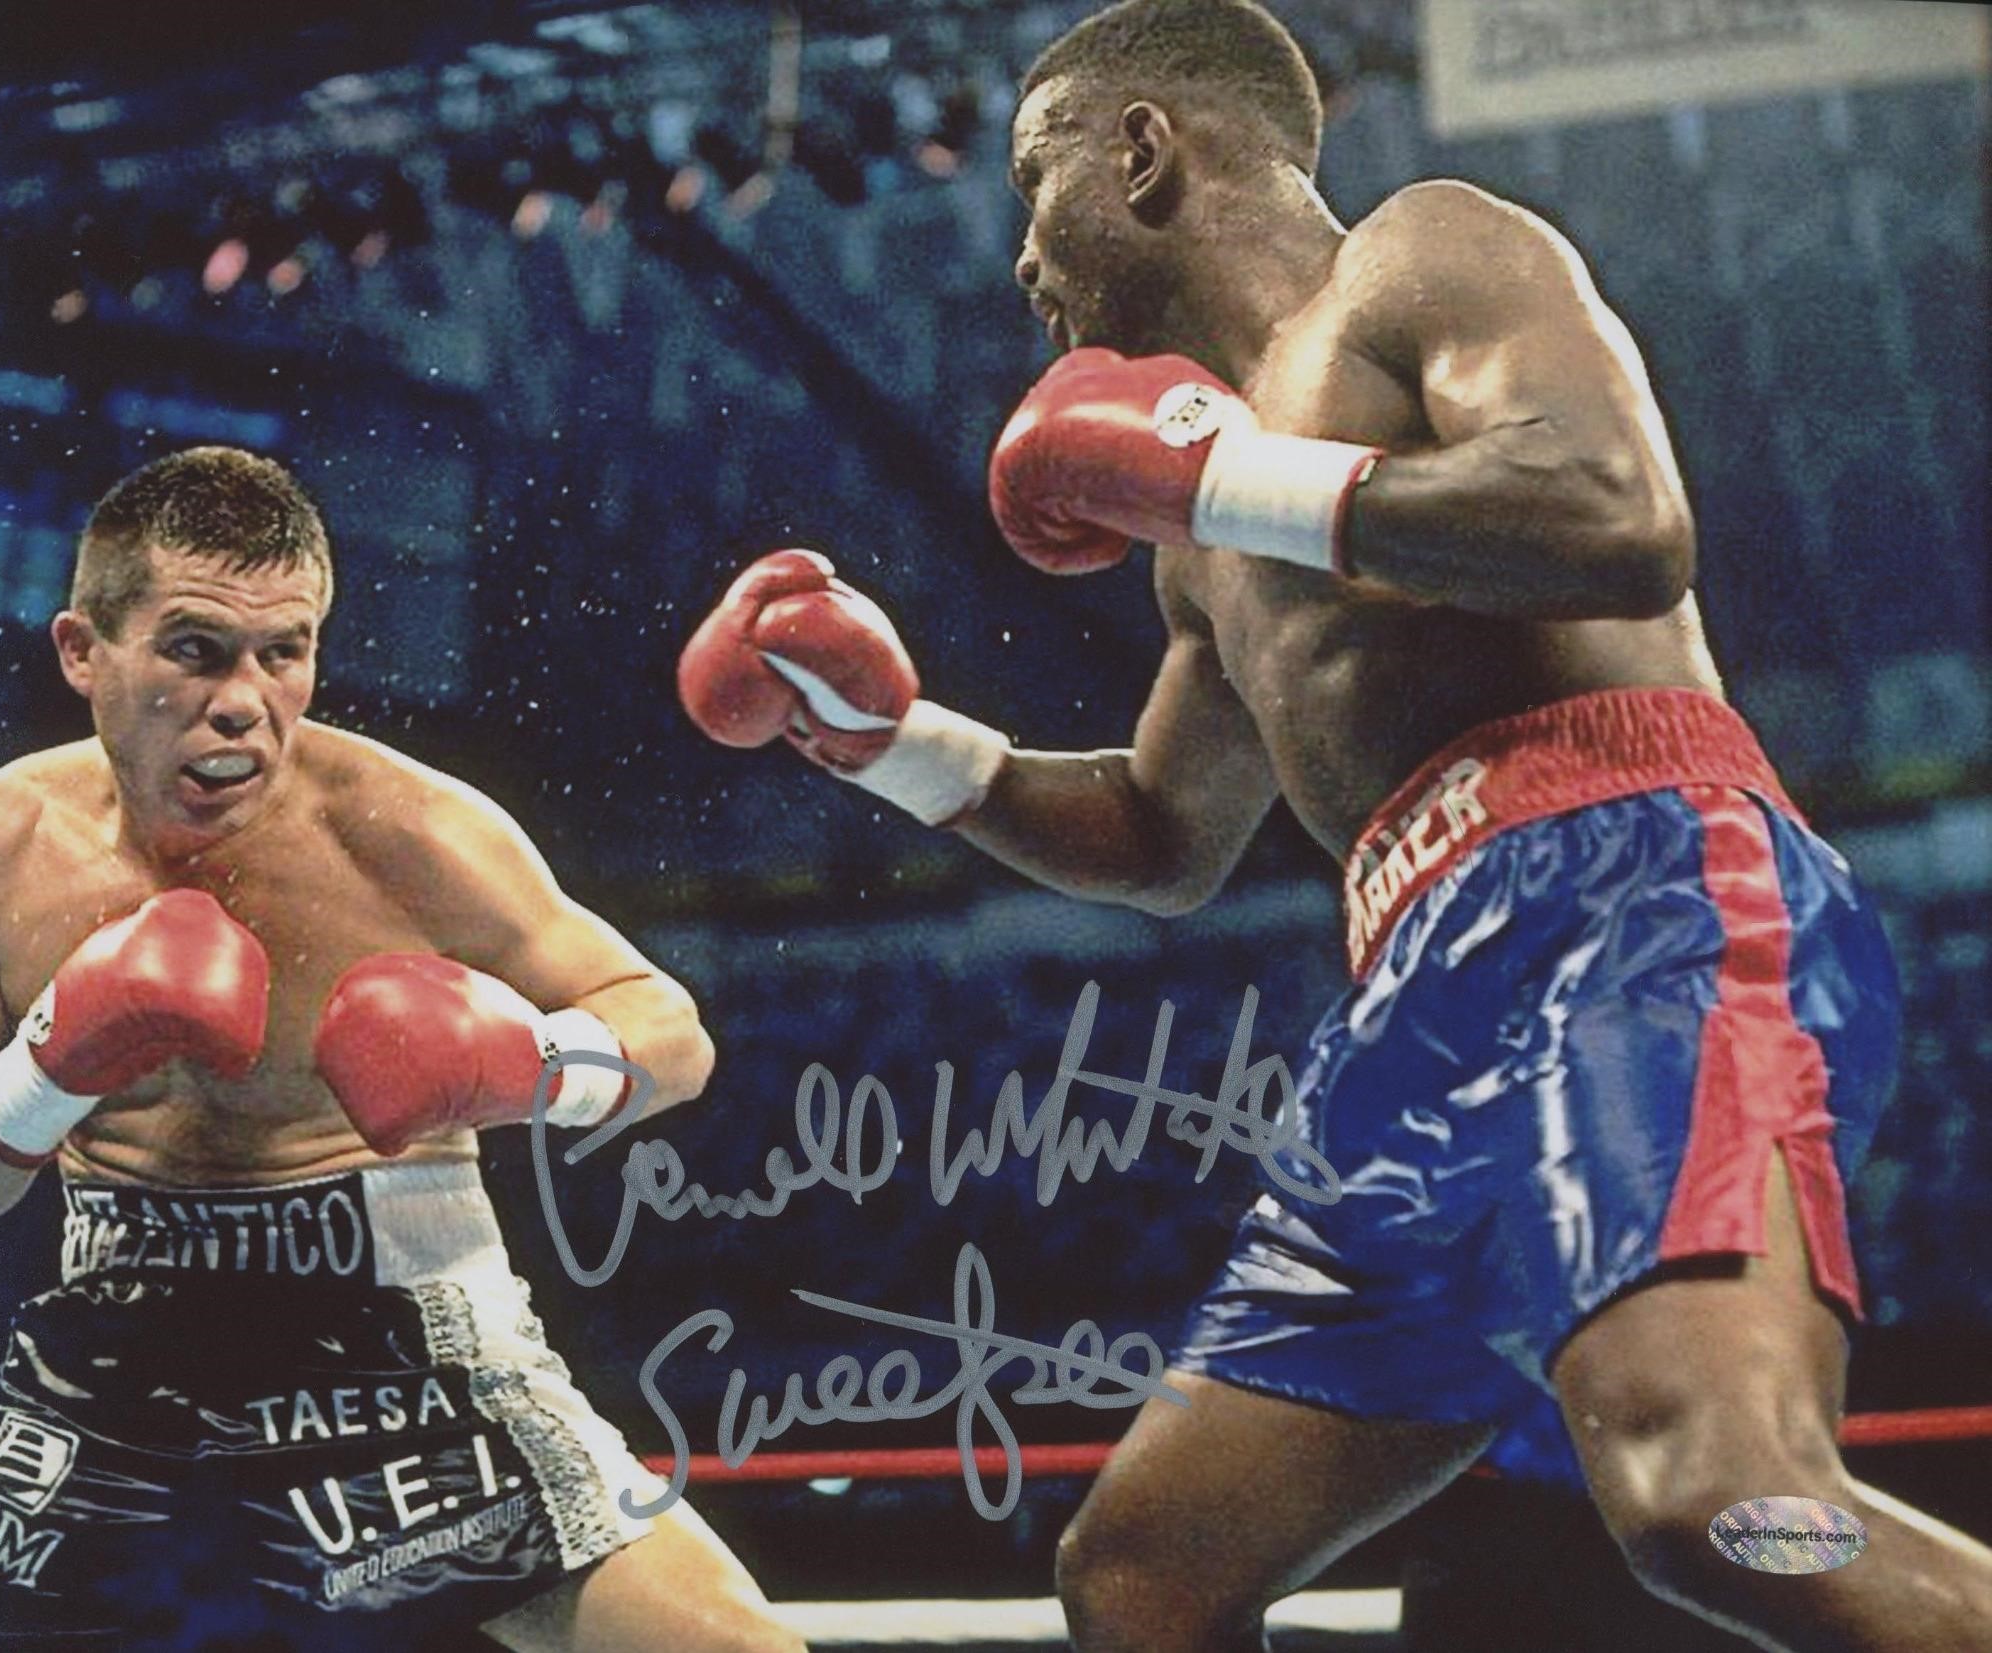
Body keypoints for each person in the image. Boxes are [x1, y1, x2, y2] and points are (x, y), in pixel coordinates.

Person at [677, 2, 1992, 1648]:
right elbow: (1162, 830)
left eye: (1037, 183)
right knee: (1143, 1570)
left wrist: (1224, 489)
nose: (1019, 260)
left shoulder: (1421, 259)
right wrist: (888, 743)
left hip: (1632, 888)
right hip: (1410, 1000)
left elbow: (1615, 521)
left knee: (1720, 1498)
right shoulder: (1193, 531)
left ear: (1139, 148)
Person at [0, 447, 804, 1653]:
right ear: (85, 651)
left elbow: (670, 1031)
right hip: (111, 1350)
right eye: (195, 649)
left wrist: (537, 1066)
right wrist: (50, 1065)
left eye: (281, 652)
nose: (241, 699)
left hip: (405, 1336)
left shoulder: (404, 829)